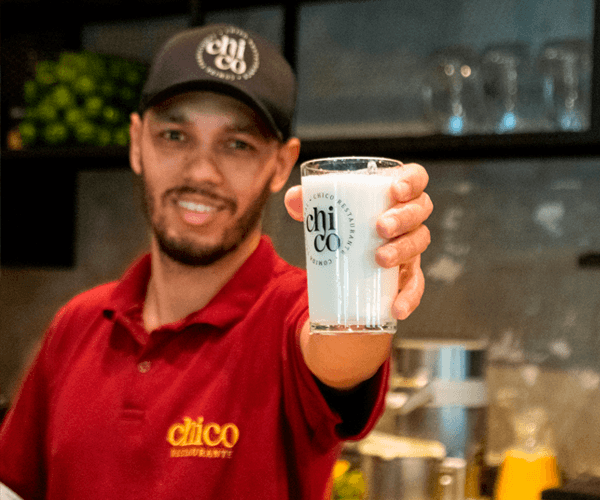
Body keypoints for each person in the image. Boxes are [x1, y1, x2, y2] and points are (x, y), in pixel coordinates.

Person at [0, 23, 432, 500]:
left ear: (281, 164)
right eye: (174, 135)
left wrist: (374, 270)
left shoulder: (294, 311)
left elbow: (342, 356)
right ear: (137, 142)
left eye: (237, 144)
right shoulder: (76, 323)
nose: (202, 172)